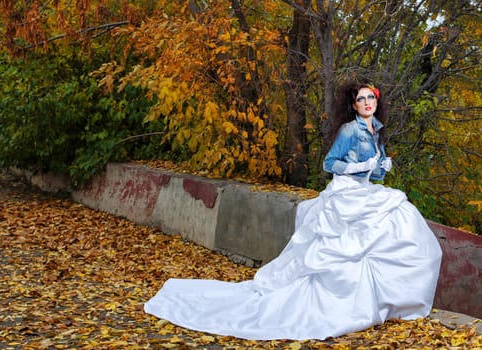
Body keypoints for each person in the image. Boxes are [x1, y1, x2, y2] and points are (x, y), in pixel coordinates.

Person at [143, 81, 443, 341]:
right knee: (345, 251)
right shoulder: (350, 130)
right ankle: (345, 306)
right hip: (346, 195)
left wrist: (379, 167)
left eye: (371, 98)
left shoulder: (375, 131)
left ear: (377, 103)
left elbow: (375, 176)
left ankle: (392, 302)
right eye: (362, 99)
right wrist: (358, 166)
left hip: (366, 193)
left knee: (404, 224)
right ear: (354, 105)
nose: (367, 103)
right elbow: (330, 164)